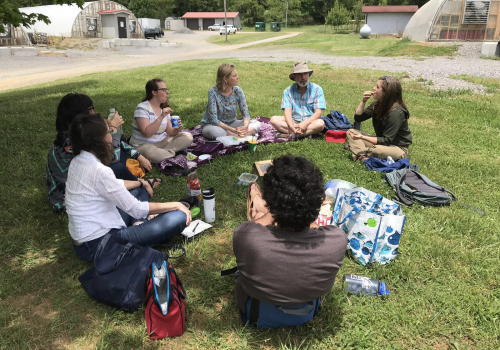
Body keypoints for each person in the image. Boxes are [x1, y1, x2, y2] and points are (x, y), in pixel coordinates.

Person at [233, 155, 346, 327]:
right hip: (307, 313)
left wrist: (272, 209)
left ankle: (256, 198)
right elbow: (313, 225)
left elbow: (254, 225)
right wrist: (299, 209)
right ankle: (261, 201)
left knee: (257, 216)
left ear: (271, 201)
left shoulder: (246, 237)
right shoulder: (337, 240)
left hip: (255, 312)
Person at [65, 113, 192, 262]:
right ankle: (140, 227)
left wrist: (142, 182)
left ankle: (139, 224)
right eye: (108, 132)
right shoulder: (99, 170)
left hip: (86, 240)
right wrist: (175, 205)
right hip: (100, 246)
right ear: (99, 140)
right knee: (179, 217)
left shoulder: (78, 161)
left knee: (138, 191)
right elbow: (136, 208)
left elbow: (115, 185)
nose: (112, 136)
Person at [46, 93, 155, 212]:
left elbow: (116, 146)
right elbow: (113, 157)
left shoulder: (72, 135)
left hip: (81, 187)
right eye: (90, 109)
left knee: (118, 153)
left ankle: (136, 184)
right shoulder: (73, 142)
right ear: (80, 114)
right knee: (117, 166)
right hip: (68, 202)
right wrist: (112, 130)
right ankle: (138, 184)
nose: (93, 112)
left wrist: (138, 156)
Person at [346, 75, 412, 161]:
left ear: (386, 92)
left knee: (377, 149)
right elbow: (358, 118)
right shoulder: (377, 105)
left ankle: (359, 153)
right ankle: (363, 155)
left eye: (377, 87)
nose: (373, 88)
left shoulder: (396, 112)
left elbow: (386, 141)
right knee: (350, 132)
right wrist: (363, 101)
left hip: (398, 147)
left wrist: (362, 137)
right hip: (381, 142)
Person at [130, 79, 193, 163]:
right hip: (143, 145)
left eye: (167, 90)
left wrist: (177, 129)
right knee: (150, 152)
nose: (167, 92)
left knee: (188, 136)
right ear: (154, 92)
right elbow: (147, 133)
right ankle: (173, 153)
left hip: (162, 143)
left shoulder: (163, 109)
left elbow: (170, 132)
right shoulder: (142, 108)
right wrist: (161, 116)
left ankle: (166, 153)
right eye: (164, 90)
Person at [201, 63, 261, 140]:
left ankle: (237, 135)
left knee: (257, 123)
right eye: (234, 76)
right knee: (212, 131)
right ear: (225, 79)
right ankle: (239, 135)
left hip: (232, 124)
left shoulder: (238, 91)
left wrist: (245, 126)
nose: (238, 77)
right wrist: (234, 131)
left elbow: (245, 114)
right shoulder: (213, 92)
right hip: (214, 125)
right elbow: (214, 120)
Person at [271, 62, 326, 139]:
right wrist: (291, 126)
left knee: (320, 123)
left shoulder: (317, 89)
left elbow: (318, 113)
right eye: (299, 75)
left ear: (308, 75)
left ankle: (291, 135)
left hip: (310, 122)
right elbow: (287, 112)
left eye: (305, 74)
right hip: (294, 121)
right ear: (294, 77)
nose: (303, 78)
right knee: (274, 120)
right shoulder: (288, 91)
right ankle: (306, 134)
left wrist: (305, 124)